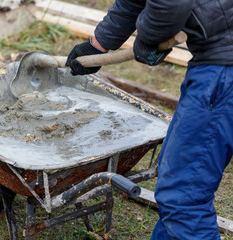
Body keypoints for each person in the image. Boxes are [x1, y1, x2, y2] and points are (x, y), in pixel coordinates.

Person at [65, 0, 233, 239]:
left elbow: (169, 4)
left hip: (224, 69)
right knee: (175, 181)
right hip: (221, 58)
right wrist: (98, 45)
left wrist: (149, 36)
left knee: (183, 198)